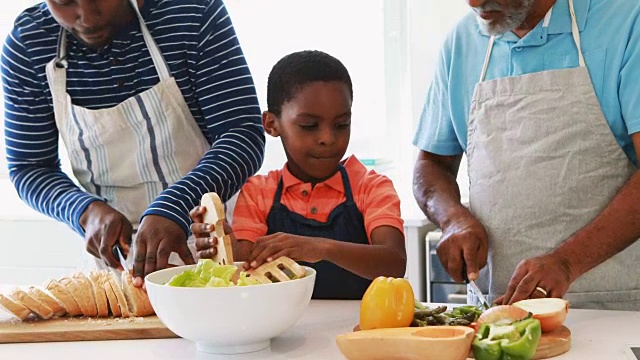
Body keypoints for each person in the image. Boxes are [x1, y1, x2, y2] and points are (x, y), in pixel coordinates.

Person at [1, 0, 265, 286]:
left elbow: (242, 135)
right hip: (119, 268)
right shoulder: (29, 44)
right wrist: (85, 211)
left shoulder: (192, 13)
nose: (88, 18)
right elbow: (31, 167)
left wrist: (174, 205)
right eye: (65, 1)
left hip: (219, 249)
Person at [412, 0, 640, 310]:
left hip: (611, 313)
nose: (474, 2)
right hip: (496, 313)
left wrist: (566, 263)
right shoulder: (462, 42)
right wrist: (452, 219)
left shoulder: (626, 23)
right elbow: (432, 163)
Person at [190, 50, 407, 299]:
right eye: (309, 126)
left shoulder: (371, 187)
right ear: (272, 124)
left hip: (363, 328)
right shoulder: (259, 192)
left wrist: (320, 247)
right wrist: (224, 245)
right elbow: (246, 270)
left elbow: (394, 262)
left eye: (341, 125)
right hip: (286, 331)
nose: (327, 138)